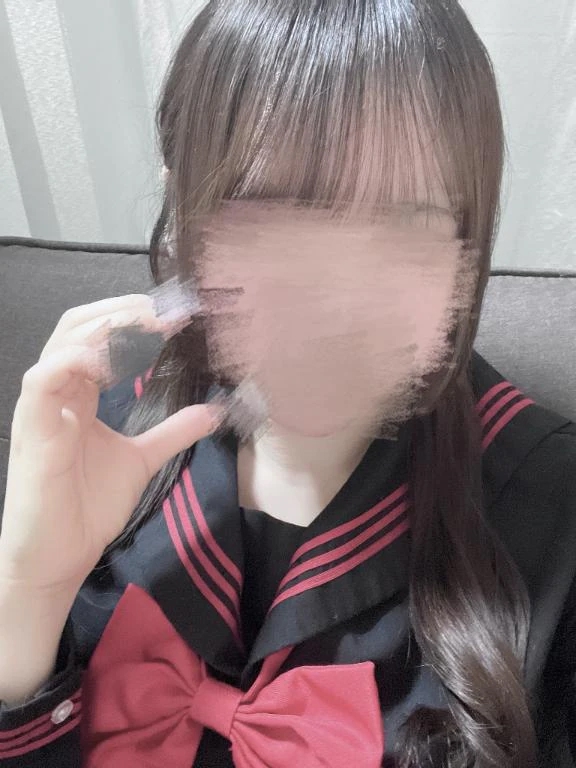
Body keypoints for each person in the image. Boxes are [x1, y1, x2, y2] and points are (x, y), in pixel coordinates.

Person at [0, 1, 575, 766]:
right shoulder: (87, 437)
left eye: (405, 221)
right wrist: (30, 593)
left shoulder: (553, 510)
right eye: (271, 214)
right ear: (185, 209)